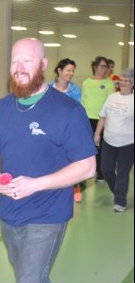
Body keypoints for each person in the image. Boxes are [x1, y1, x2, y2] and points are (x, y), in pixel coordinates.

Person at [0, 38, 97, 283]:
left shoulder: (67, 111)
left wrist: (36, 184)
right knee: (34, 282)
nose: (19, 68)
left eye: (27, 61)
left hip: (47, 216)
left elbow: (87, 167)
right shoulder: (1, 110)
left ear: (44, 65)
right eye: (15, 61)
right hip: (9, 214)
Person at [94, 68, 134, 212]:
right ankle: (118, 192)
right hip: (109, 141)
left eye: (127, 81)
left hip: (128, 144)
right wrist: (97, 134)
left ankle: (120, 202)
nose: (123, 83)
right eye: (121, 80)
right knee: (106, 170)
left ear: (132, 83)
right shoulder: (112, 97)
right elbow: (103, 116)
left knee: (123, 173)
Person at [49, 58, 84, 202]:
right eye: (68, 70)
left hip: (68, 130)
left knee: (70, 160)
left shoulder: (75, 90)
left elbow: (76, 109)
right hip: (50, 129)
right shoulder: (48, 88)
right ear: (59, 71)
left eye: (73, 70)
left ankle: (74, 186)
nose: (71, 73)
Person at [82, 56, 116, 182]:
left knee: (101, 145)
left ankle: (101, 172)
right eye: (102, 66)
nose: (104, 69)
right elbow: (83, 100)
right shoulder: (86, 82)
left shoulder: (109, 83)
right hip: (87, 118)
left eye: (106, 66)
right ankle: (87, 171)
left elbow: (110, 103)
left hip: (102, 119)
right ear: (95, 67)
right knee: (87, 146)